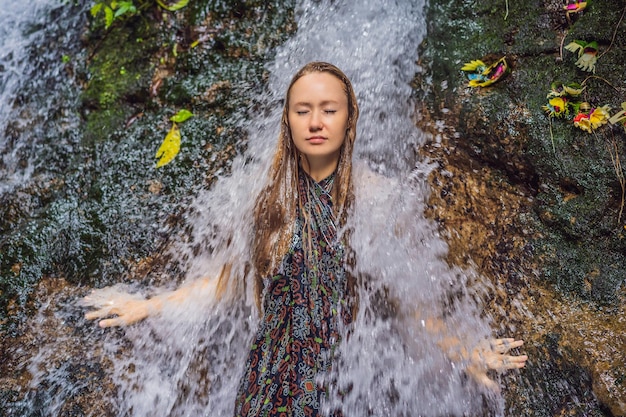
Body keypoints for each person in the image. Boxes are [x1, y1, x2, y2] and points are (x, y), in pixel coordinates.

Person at [81, 62, 527, 416]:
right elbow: (230, 281)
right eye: (302, 110)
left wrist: (461, 349)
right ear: (288, 121)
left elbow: (411, 305)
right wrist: (149, 305)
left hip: (341, 388)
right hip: (265, 386)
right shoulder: (264, 194)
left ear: (350, 117)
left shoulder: (381, 200)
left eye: (329, 109)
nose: (316, 122)